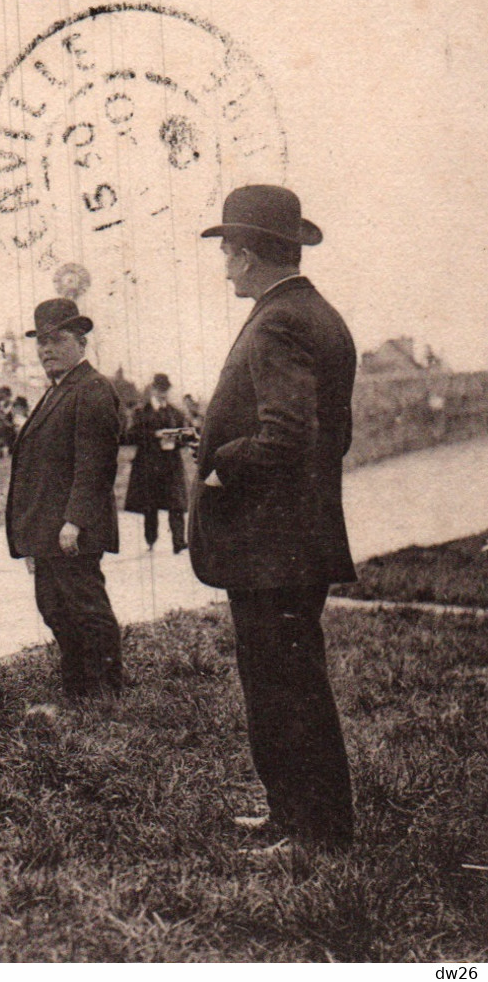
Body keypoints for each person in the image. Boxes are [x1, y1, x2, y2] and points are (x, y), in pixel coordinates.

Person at [190, 185, 357, 852]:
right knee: (286, 684)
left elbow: (286, 435)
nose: (224, 264)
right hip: (293, 538)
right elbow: (328, 438)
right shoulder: (316, 315)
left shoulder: (278, 321)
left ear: (252, 254)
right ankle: (296, 815)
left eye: (227, 251)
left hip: (271, 548)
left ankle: (313, 830)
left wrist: (223, 462)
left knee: (282, 691)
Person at [6, 298, 125, 698]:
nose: (47, 350)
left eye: (57, 340)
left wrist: (75, 521)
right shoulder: (59, 390)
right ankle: (78, 686)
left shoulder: (91, 389)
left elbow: (95, 466)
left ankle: (106, 690)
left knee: (86, 608)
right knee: (55, 609)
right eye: (41, 342)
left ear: (82, 343)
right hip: (49, 529)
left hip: (70, 529)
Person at [124, 373, 191, 553]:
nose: (163, 393)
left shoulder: (175, 413)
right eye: (160, 389)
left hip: (171, 464)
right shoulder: (141, 413)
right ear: (152, 389)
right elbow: (130, 436)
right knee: (150, 505)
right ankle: (150, 540)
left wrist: (177, 438)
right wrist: (155, 435)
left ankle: (179, 542)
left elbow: (187, 436)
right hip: (148, 464)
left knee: (176, 504)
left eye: (165, 390)